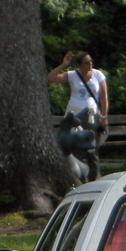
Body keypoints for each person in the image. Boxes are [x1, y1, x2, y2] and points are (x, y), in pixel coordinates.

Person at [48, 51, 109, 180]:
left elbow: (103, 97)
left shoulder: (98, 75)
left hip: (91, 116)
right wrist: (63, 64)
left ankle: (95, 178)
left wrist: (104, 117)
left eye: (91, 61)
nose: (90, 64)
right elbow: (51, 78)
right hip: (74, 116)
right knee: (75, 148)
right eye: (87, 62)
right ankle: (77, 178)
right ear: (79, 65)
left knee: (91, 148)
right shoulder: (72, 75)